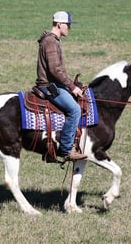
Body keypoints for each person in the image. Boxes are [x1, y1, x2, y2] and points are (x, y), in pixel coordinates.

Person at [35, 11, 87, 162]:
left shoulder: (53, 40)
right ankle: (66, 149)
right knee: (75, 109)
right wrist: (72, 87)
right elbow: (54, 70)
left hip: (55, 83)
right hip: (49, 86)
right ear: (59, 24)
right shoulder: (50, 42)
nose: (69, 28)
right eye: (68, 25)